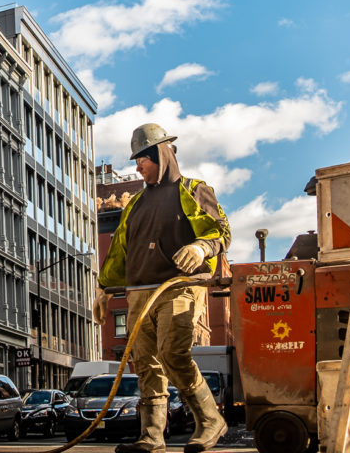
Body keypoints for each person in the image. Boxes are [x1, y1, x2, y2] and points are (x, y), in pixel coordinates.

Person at [96, 124, 231, 453]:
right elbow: (120, 253)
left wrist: (201, 247)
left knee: (172, 353)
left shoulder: (193, 190)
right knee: (145, 364)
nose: (137, 166)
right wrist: (103, 290)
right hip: (140, 293)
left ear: (162, 154)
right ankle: (152, 436)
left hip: (178, 287)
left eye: (142, 158)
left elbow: (221, 232)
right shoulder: (136, 205)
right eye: (136, 161)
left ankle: (210, 418)